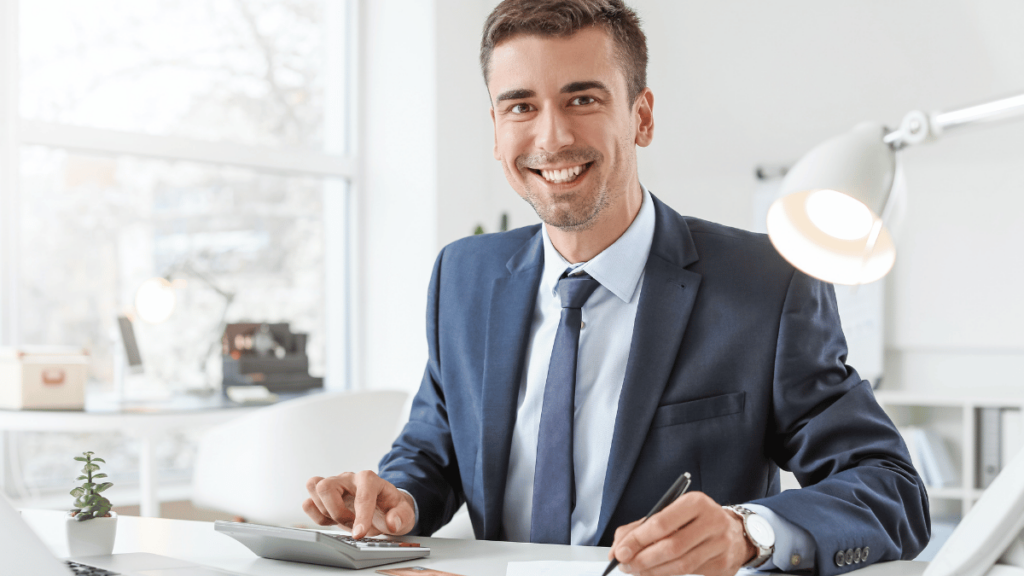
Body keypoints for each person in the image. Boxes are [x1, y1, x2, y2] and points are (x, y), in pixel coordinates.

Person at [302, 1, 930, 574]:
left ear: (642, 116)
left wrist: (749, 532)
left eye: (582, 99)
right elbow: (435, 450)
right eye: (521, 105)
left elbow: (890, 486)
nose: (551, 138)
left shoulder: (769, 283)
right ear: (495, 129)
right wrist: (398, 498)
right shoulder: (463, 275)